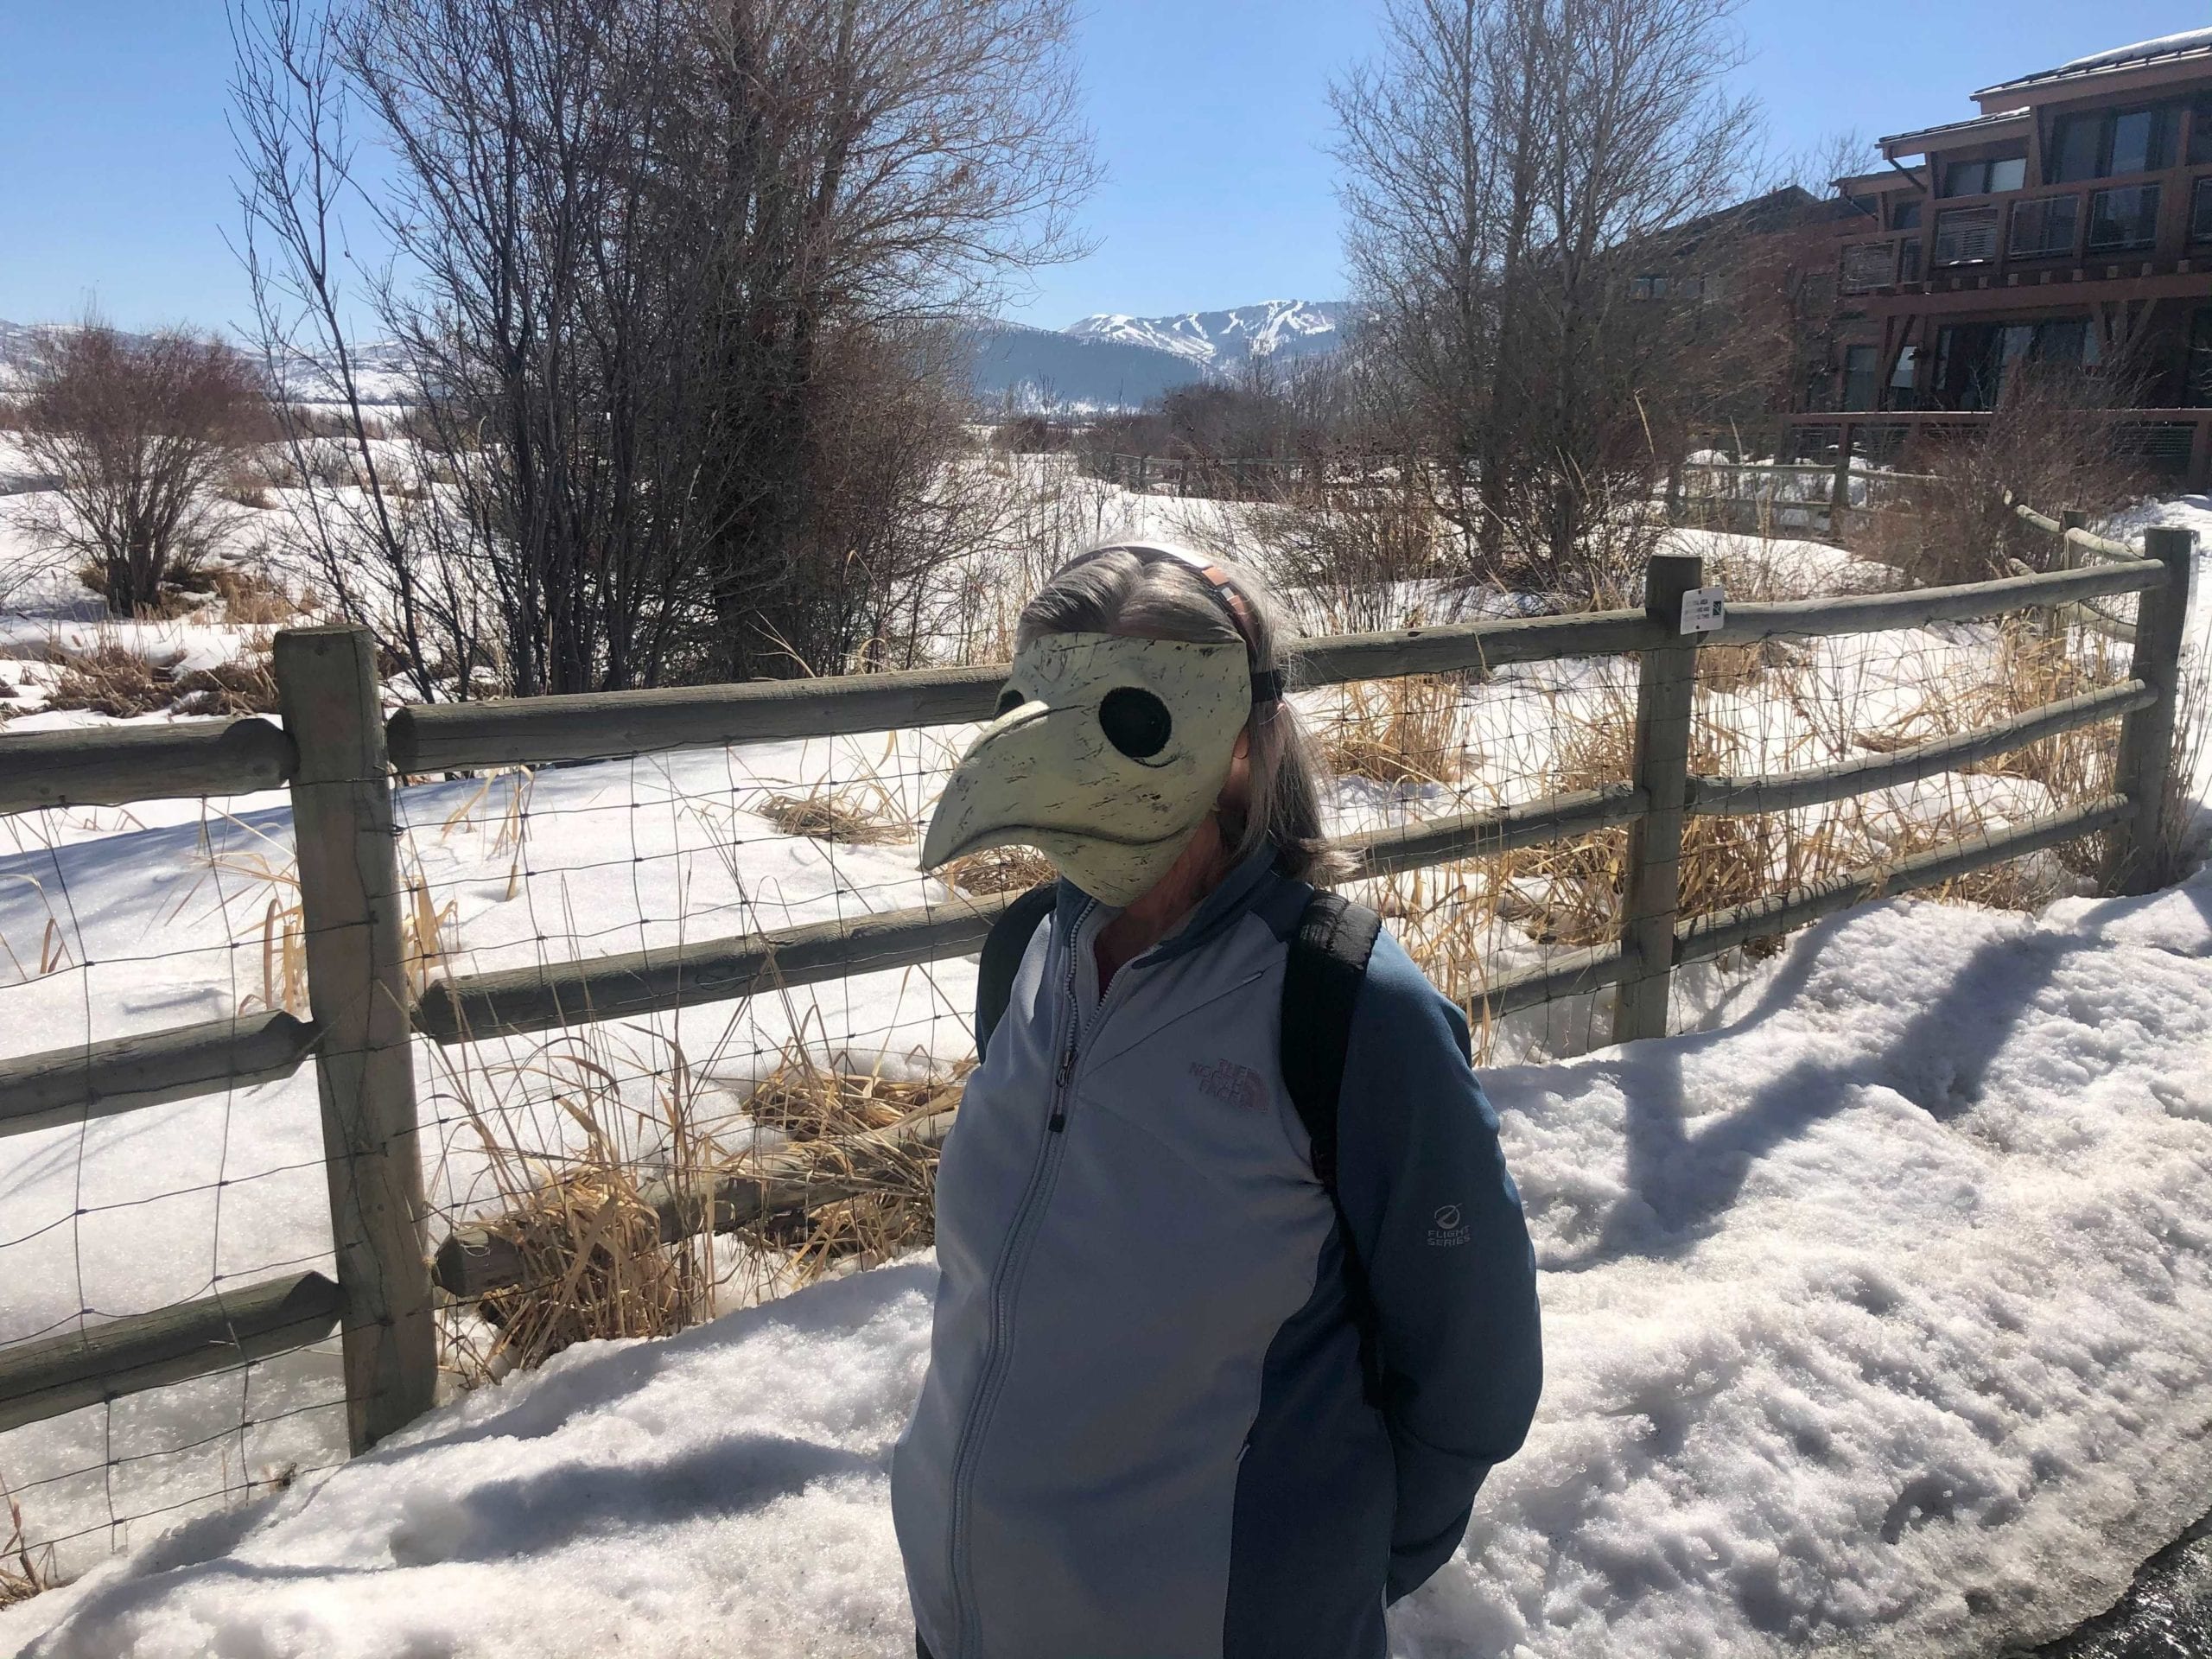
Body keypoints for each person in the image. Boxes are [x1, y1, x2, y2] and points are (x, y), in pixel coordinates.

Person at [893, 543, 1542, 1659]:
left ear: (1242, 746)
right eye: (1032, 709)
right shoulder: (1034, 957)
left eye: (1132, 722)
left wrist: (1320, 1575)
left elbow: (1475, 1370)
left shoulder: (1346, 1016)